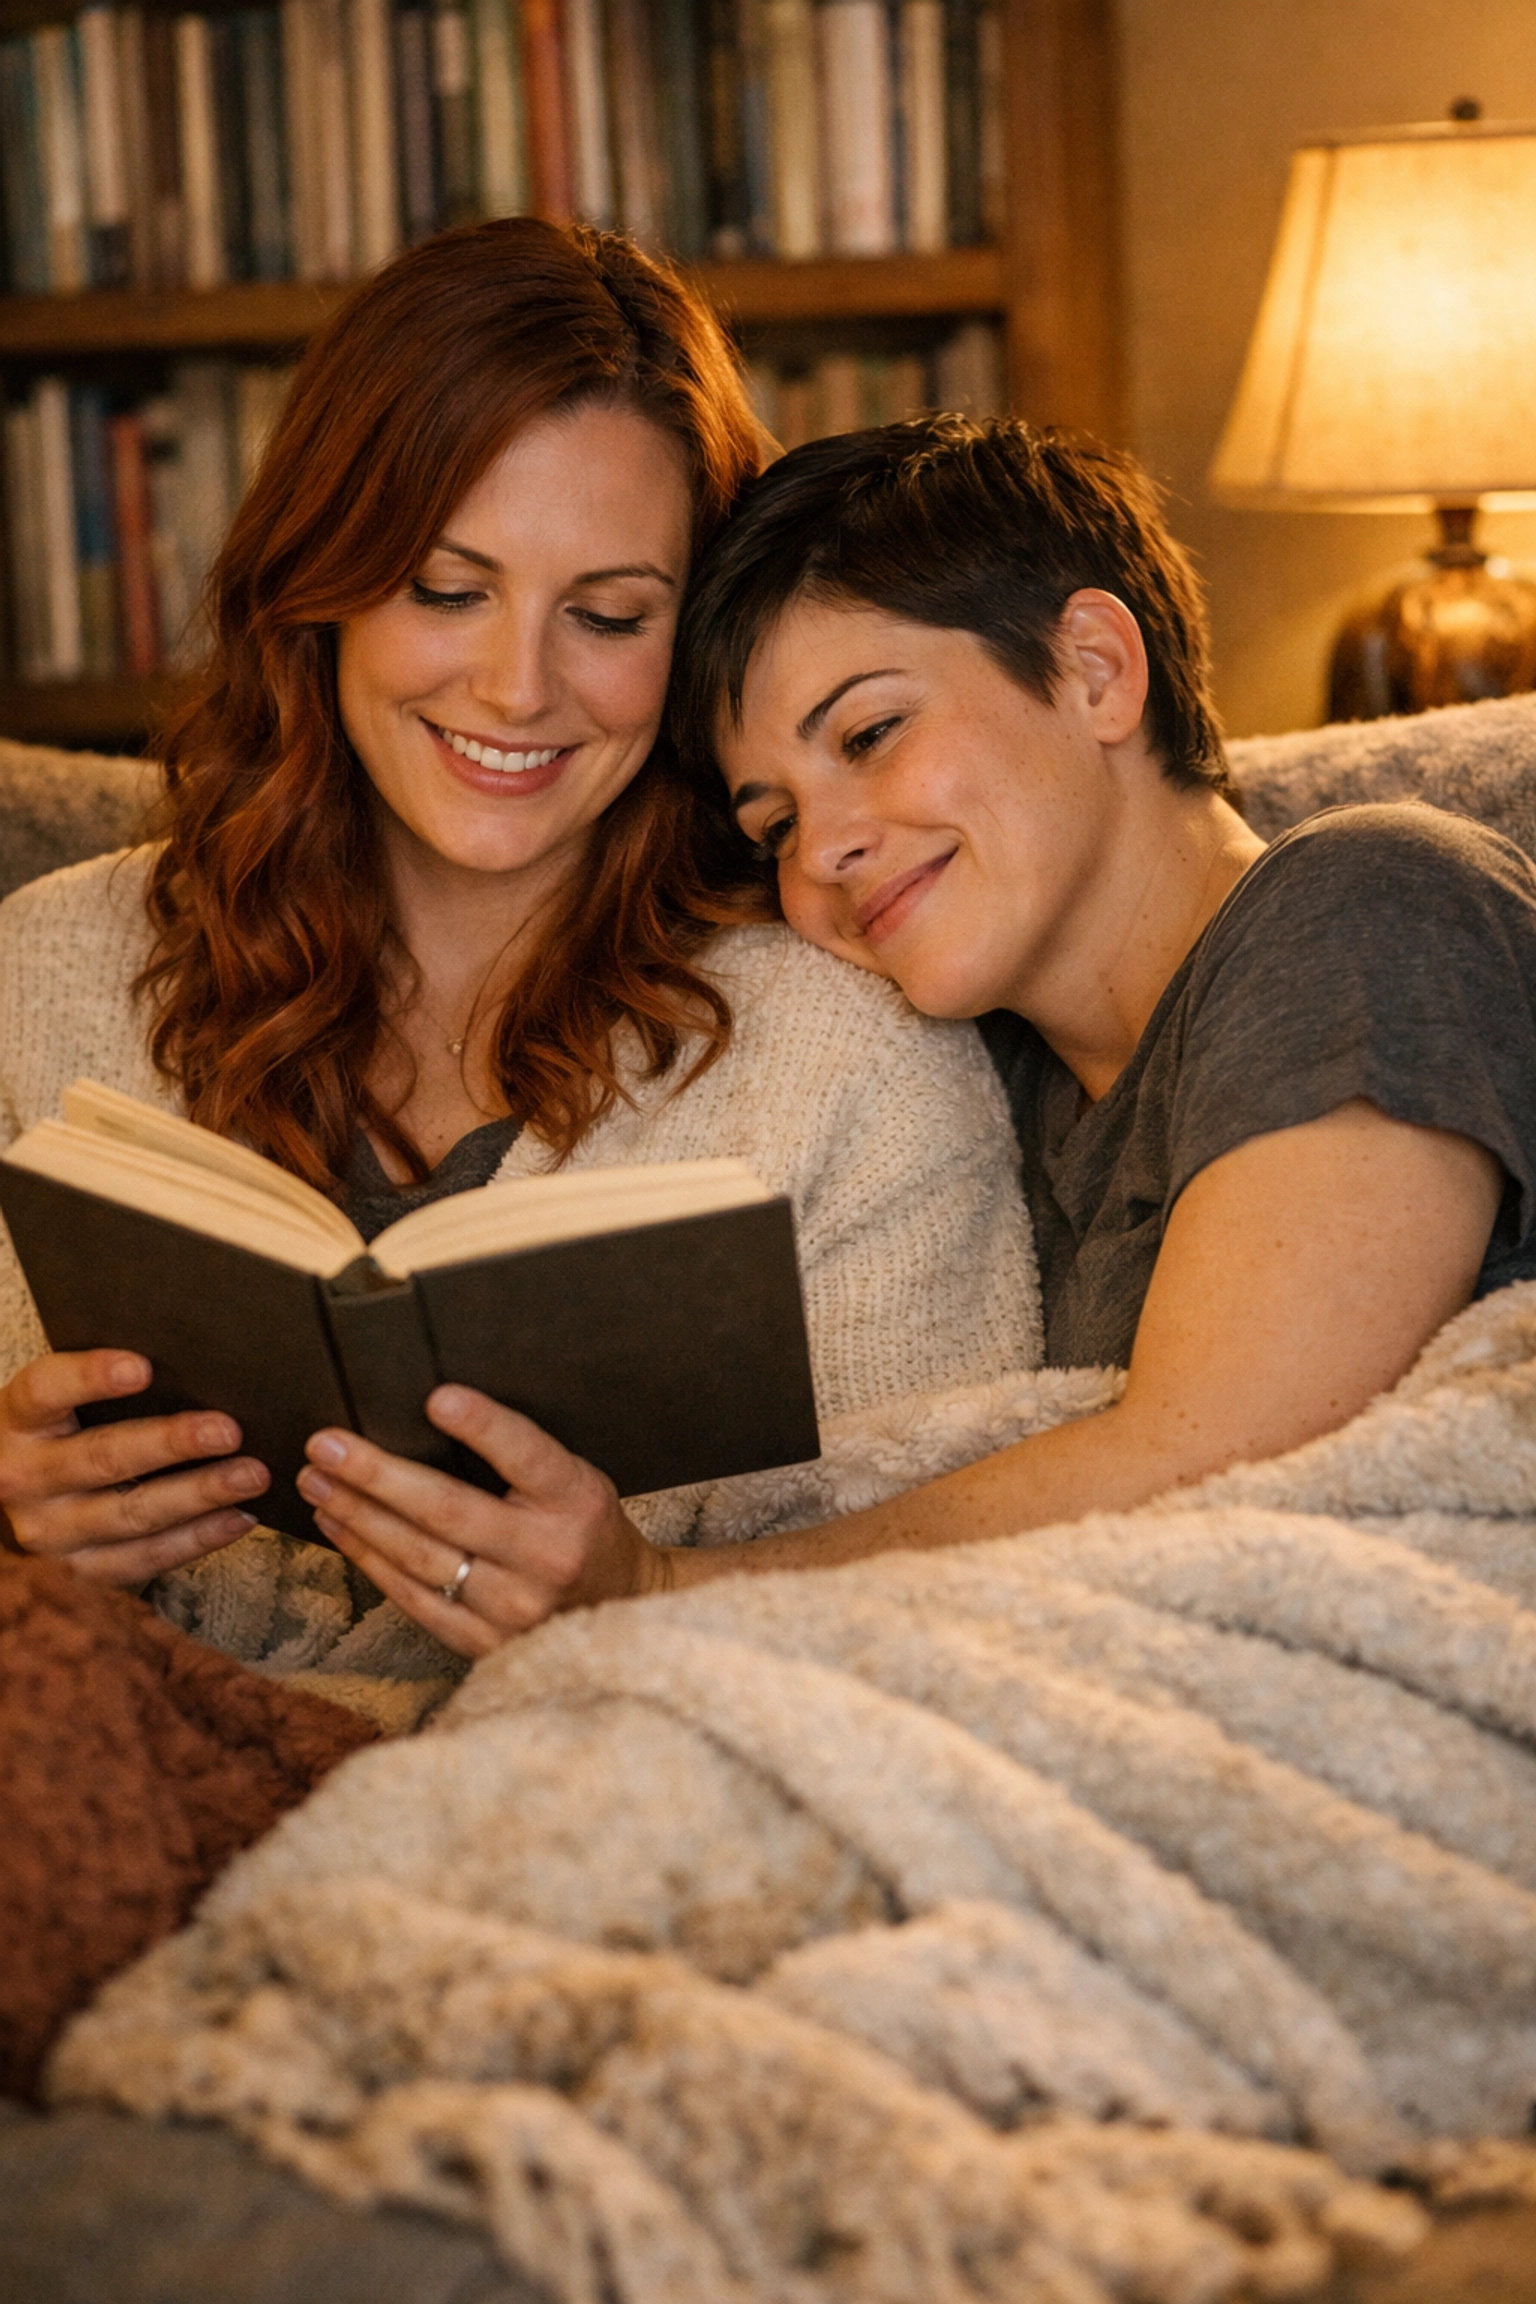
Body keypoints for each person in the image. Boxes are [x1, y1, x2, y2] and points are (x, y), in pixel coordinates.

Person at [330, 406, 1533, 1632]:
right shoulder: (969, 1091)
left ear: (1095, 669)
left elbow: (1221, 1457)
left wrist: (663, 1589)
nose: (829, 848)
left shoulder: (1370, 897)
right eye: (775, 824)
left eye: (870, 733)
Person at [0, 244, 1040, 1647]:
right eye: (444, 590)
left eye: (607, 617)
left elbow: (965, 1616)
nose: (516, 686)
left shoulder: (848, 1049)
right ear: (324, 583)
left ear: (695, 640)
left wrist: (640, 1605)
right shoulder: (43, 972)